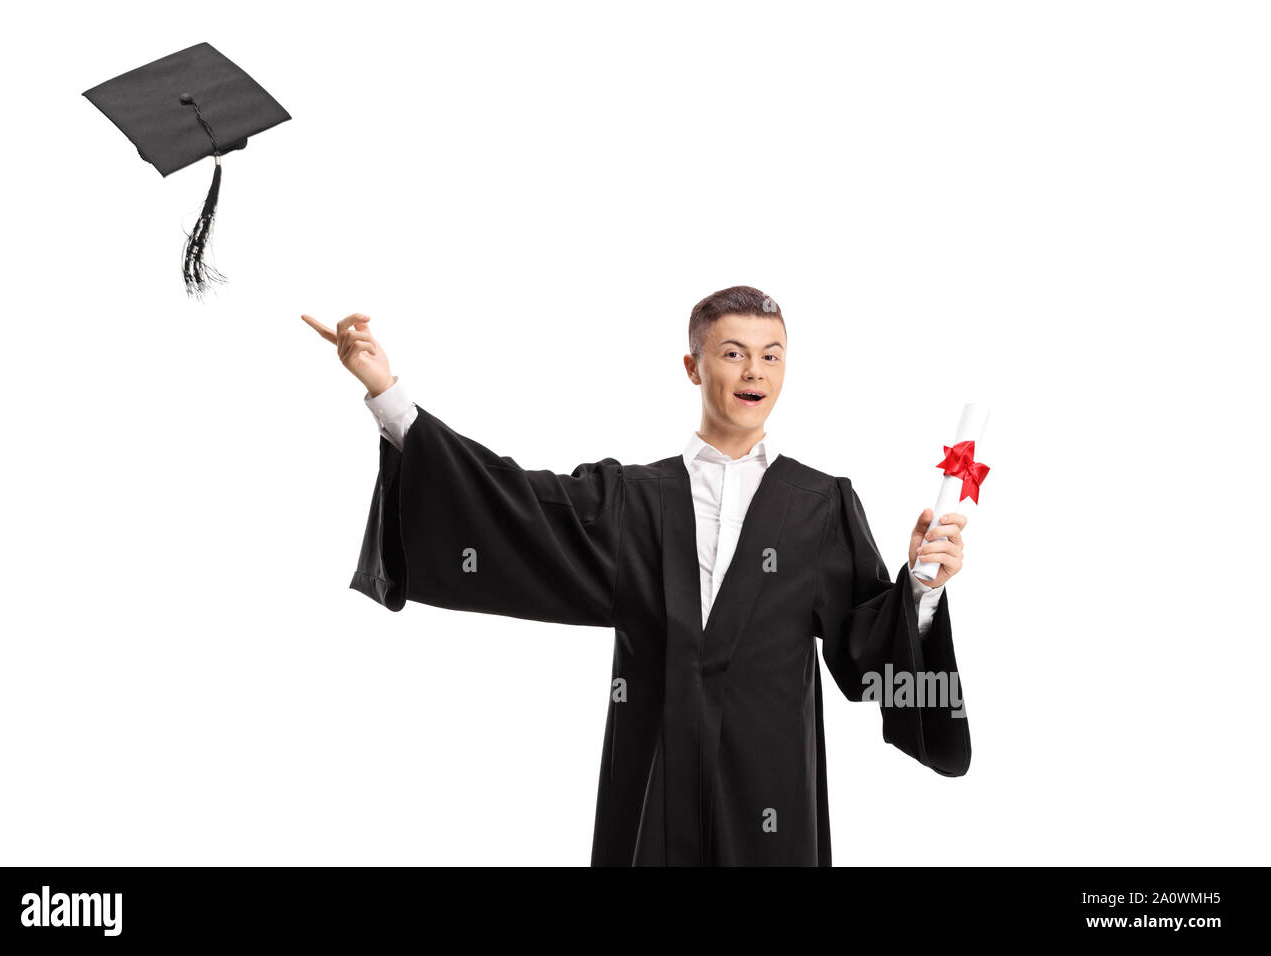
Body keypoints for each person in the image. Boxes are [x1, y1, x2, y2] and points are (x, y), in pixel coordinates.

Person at [303, 285, 970, 866]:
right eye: (733, 351)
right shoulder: (631, 499)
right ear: (693, 365)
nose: (754, 370)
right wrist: (388, 394)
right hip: (656, 788)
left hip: (771, 800)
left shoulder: (821, 505)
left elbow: (866, 652)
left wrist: (920, 588)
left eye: (772, 355)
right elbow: (514, 505)